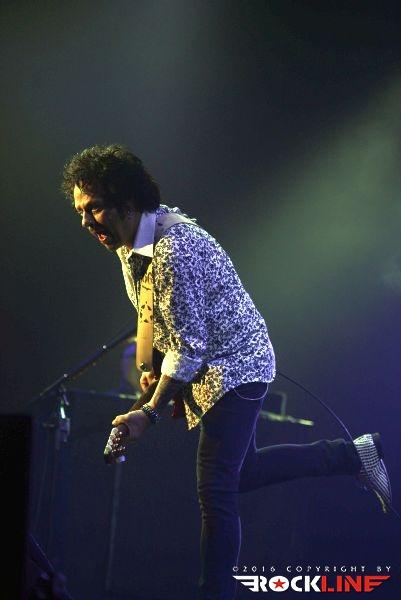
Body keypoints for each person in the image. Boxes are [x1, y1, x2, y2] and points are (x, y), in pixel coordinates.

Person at [62, 144, 392, 600]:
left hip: (237, 366)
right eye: (80, 210)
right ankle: (352, 455)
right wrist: (150, 368)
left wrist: (149, 412)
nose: (86, 221)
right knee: (242, 474)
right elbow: (151, 312)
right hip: (208, 367)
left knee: (216, 490)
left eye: (95, 207)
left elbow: (190, 347)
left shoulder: (174, 248)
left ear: (128, 200)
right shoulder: (129, 240)